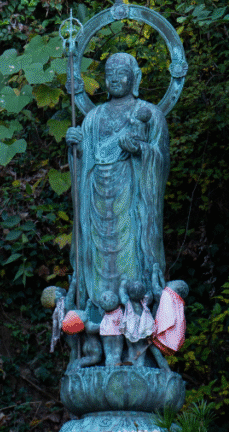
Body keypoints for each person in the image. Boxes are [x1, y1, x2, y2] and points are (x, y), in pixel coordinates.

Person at [66, 52, 170, 317]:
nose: (115, 79)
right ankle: (97, 320)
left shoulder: (150, 115)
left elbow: (161, 161)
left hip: (134, 199)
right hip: (96, 202)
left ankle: (137, 322)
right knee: (96, 258)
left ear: (134, 78)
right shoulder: (92, 118)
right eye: (109, 74)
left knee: (134, 261)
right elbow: (85, 161)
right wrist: (76, 148)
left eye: (121, 73)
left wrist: (140, 151)